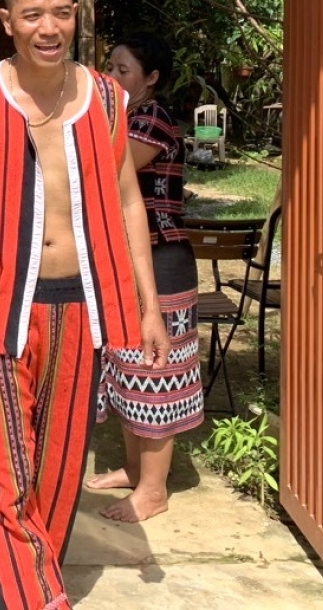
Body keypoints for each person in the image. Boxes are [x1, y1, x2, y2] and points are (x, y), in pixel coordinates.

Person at [0, 0, 171, 610]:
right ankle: (41, 601)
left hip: (82, 307)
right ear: (9, 21)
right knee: (5, 476)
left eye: (61, 11)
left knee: (59, 474)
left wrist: (149, 305)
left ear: (75, 14)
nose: (49, 26)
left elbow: (126, 206)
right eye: (33, 14)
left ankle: (28, 586)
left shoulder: (108, 101)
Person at [87, 33, 204, 521]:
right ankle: (136, 471)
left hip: (161, 260)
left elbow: (109, 171)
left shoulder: (150, 118)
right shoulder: (125, 117)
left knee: (156, 372)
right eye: (109, 67)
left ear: (151, 79)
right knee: (127, 367)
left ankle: (153, 489)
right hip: (131, 260)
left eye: (123, 70)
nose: (111, 78)